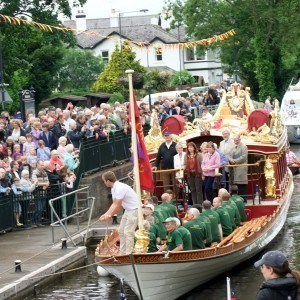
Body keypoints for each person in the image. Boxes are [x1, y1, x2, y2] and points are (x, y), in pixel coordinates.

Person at [99, 171, 138, 254]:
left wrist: (109, 215)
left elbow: (118, 206)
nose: (104, 183)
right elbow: (114, 204)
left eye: (104, 181)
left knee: (128, 232)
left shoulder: (120, 188)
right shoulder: (114, 188)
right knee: (121, 230)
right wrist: (106, 214)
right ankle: (123, 252)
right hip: (128, 210)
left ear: (108, 181)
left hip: (135, 209)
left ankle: (129, 253)